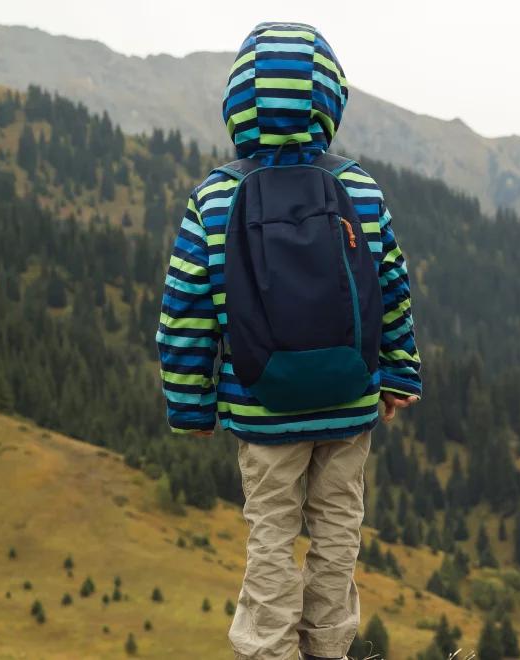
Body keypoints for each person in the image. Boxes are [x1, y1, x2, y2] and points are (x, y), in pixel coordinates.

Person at [156, 22, 421, 660]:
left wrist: (192, 405)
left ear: (238, 101)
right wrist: (398, 373)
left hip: (260, 406)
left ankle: (268, 651)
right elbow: (391, 286)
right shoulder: (359, 188)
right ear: (330, 100)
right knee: (337, 531)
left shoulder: (215, 196)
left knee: (270, 535)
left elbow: (185, 311)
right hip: (348, 404)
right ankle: (329, 648)